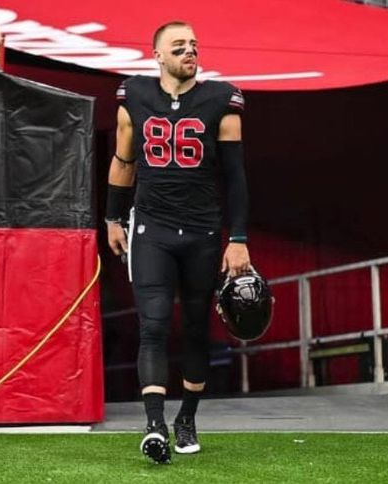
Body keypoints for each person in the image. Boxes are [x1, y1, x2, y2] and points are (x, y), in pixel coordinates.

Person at [105, 20, 252, 464]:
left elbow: (235, 177)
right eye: (179, 46)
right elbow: (124, 159)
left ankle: (186, 417)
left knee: (194, 328)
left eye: (194, 45)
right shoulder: (135, 94)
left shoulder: (220, 99)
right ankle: (154, 426)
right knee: (152, 326)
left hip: (203, 230)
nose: (190, 51)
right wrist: (112, 216)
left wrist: (238, 238)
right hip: (152, 228)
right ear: (158, 55)